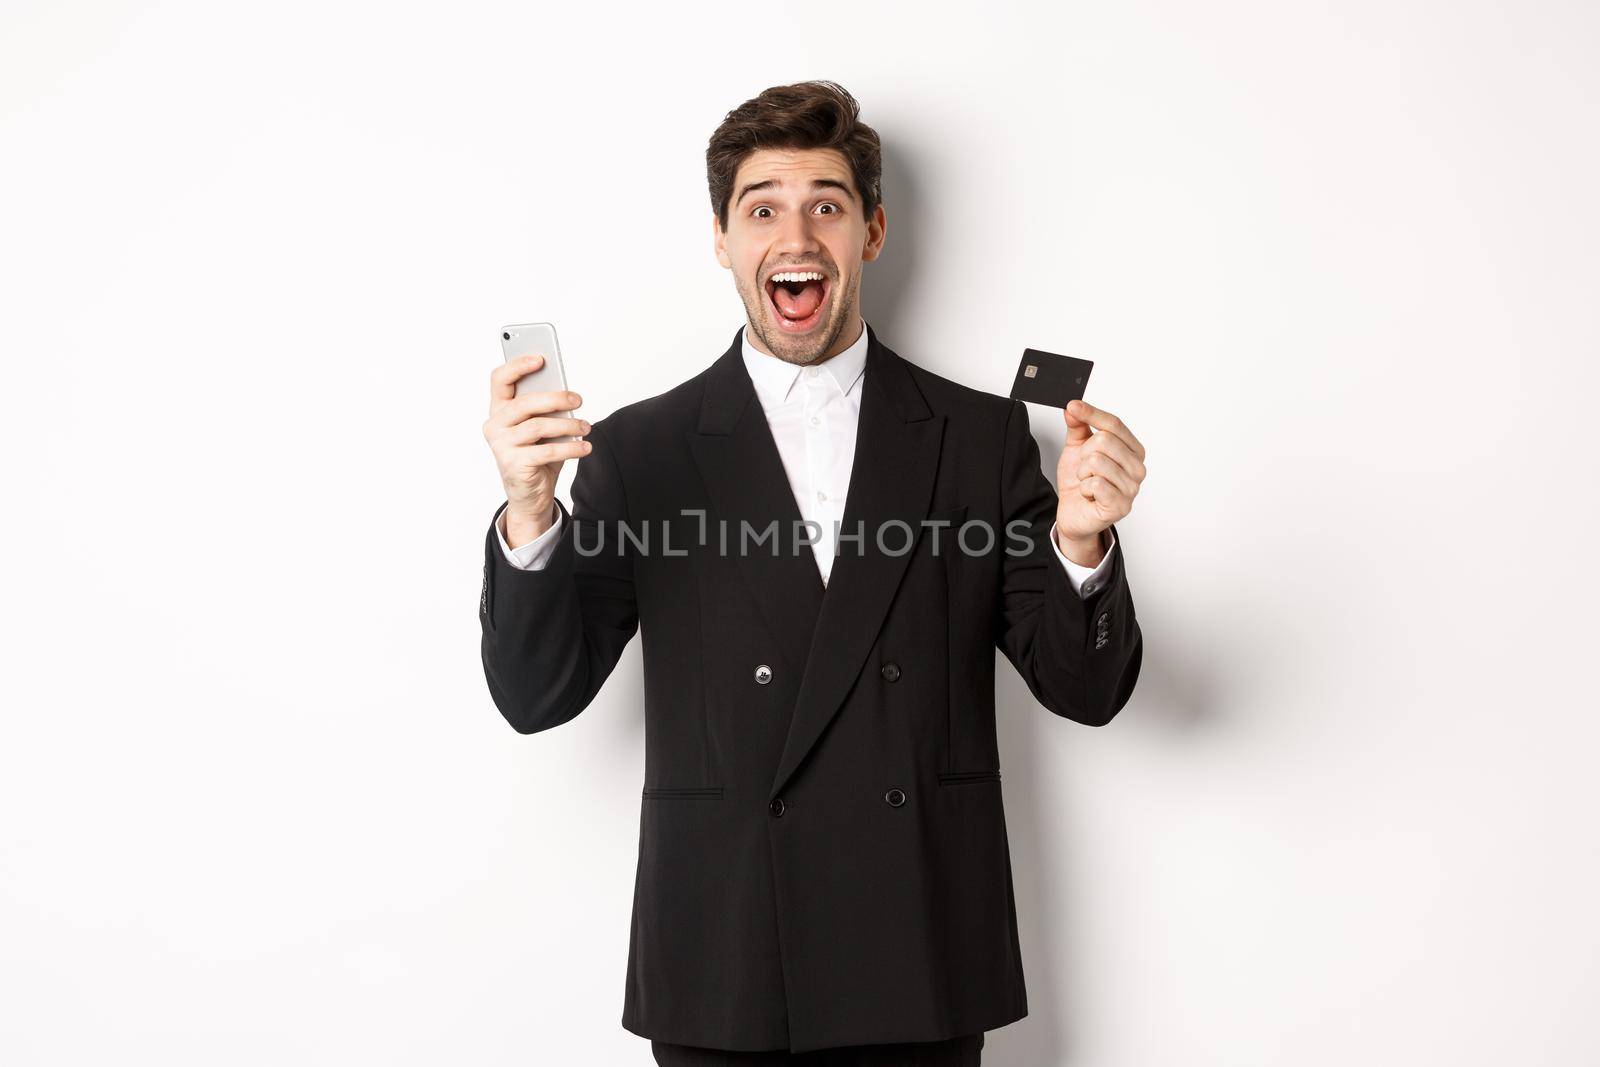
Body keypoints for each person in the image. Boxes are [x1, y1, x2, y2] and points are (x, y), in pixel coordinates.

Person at [478, 80, 1146, 1065]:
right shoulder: (640, 447)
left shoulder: (978, 437)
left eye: (826, 204)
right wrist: (531, 511)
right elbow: (536, 694)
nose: (795, 233)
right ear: (721, 239)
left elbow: (1083, 689)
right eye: (762, 208)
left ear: (870, 233)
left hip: (917, 952)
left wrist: (1081, 541)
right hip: (725, 958)